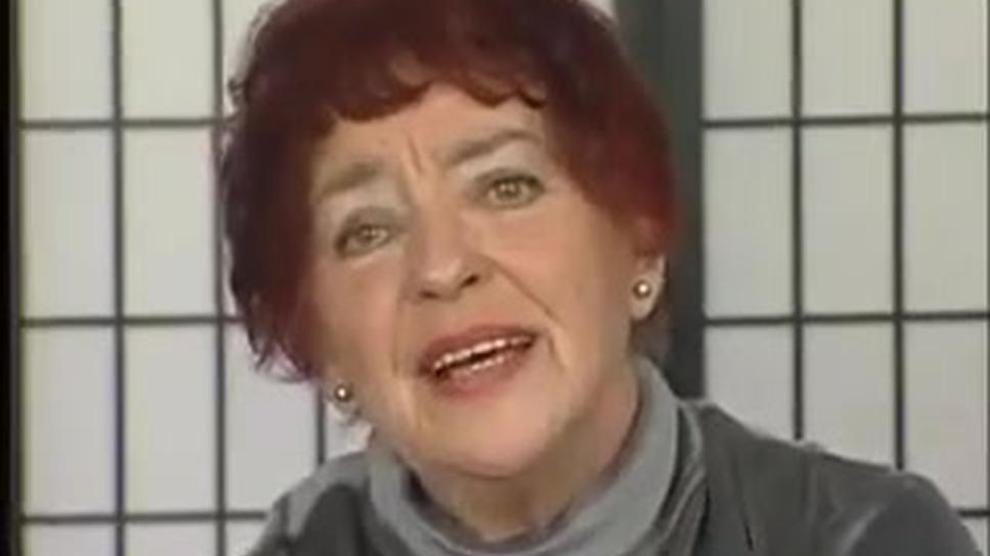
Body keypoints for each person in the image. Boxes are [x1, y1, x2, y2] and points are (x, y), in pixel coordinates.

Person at [218, 0, 980, 554]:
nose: (444, 267)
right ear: (316, 338)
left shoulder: (858, 539)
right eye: (368, 230)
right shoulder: (304, 546)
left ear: (639, 241)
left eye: (506, 186)